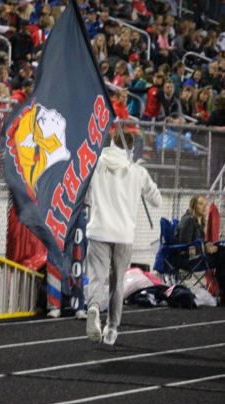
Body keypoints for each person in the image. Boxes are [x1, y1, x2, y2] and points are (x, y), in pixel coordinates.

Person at [86, 130, 162, 345]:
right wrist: (140, 187)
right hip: (123, 234)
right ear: (131, 147)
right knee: (117, 280)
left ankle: (93, 307)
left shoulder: (97, 164)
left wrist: (91, 202)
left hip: (98, 229)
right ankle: (111, 328)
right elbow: (156, 199)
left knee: (97, 276)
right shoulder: (137, 171)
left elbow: (84, 194)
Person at [174, 194, 225, 305]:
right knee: (222, 254)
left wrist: (207, 245)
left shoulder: (199, 221)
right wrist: (205, 249)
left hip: (198, 253)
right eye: (200, 204)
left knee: (221, 250)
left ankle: (222, 292)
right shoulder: (188, 220)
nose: (204, 207)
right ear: (194, 206)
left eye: (205, 205)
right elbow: (185, 246)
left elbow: (198, 241)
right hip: (187, 257)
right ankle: (223, 293)